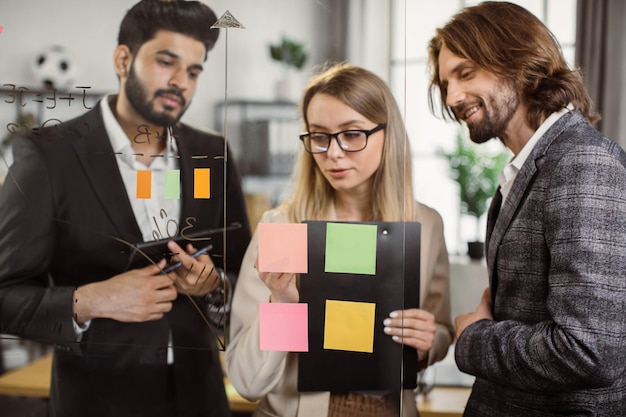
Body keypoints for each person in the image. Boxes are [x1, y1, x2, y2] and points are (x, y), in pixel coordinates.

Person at [0, 1, 251, 416]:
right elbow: (5, 295)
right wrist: (90, 301)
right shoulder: (49, 157)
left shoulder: (212, 155)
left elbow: (243, 276)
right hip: (97, 402)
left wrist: (215, 287)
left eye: (193, 70)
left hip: (201, 399)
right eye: (166, 62)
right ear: (123, 59)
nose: (180, 82)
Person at [427, 2, 626, 416]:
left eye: (466, 73)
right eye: (446, 83)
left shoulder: (582, 164)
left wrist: (473, 337)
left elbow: (587, 351)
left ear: (519, 61)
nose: (453, 97)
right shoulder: (531, 166)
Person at [225, 63, 454, 417]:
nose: (333, 153)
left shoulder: (425, 225)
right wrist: (283, 304)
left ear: (387, 135)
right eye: (319, 136)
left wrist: (429, 342)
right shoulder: (283, 226)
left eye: (351, 134)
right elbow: (248, 383)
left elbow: (438, 329)